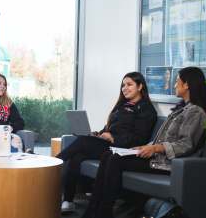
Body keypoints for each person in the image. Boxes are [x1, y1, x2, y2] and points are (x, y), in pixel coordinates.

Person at [82, 67, 206, 218]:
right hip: (160, 156)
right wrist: (145, 147)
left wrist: (156, 148)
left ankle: (103, 212)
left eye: (177, 81)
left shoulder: (195, 112)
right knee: (108, 155)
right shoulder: (182, 109)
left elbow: (186, 145)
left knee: (115, 159)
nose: (175, 85)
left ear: (187, 85)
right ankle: (93, 211)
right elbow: (164, 140)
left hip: (170, 163)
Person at [56, 72, 157, 212]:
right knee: (77, 156)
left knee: (82, 141)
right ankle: (68, 200)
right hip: (109, 144)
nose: (124, 88)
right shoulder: (121, 105)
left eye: (129, 84)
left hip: (123, 148)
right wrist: (100, 133)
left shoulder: (146, 109)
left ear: (140, 86)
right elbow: (111, 127)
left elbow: (139, 139)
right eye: (123, 85)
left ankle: (51, 166)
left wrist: (114, 138)